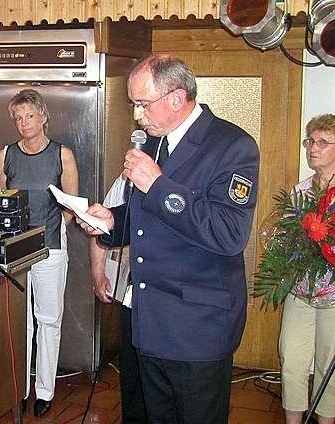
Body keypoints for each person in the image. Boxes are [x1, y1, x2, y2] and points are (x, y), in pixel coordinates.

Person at [78, 54, 259, 424]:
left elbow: (228, 233)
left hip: (198, 327)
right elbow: (144, 220)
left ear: (177, 99)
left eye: (142, 104)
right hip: (150, 321)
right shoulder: (154, 144)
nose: (137, 116)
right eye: (133, 105)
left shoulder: (232, 146)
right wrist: (111, 222)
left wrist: (158, 185)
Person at [0, 88, 78, 417]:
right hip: (15, 250)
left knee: (48, 320)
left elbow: (71, 206)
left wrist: (53, 231)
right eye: (18, 118)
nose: (24, 123)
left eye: (29, 116)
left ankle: (44, 391)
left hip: (51, 248)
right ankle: (20, 388)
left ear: (43, 117)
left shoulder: (62, 155)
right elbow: (0, 201)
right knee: (20, 321)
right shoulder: (6, 155)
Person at [279, 114, 335, 424]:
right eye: (310, 141)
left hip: (334, 294)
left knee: (329, 365)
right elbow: (287, 239)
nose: (313, 148)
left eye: (323, 142)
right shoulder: (299, 191)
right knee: (291, 359)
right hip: (300, 291)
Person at [90, 169, 152, 424]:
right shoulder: (124, 183)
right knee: (132, 371)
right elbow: (99, 228)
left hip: (169, 302)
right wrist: (98, 274)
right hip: (132, 293)